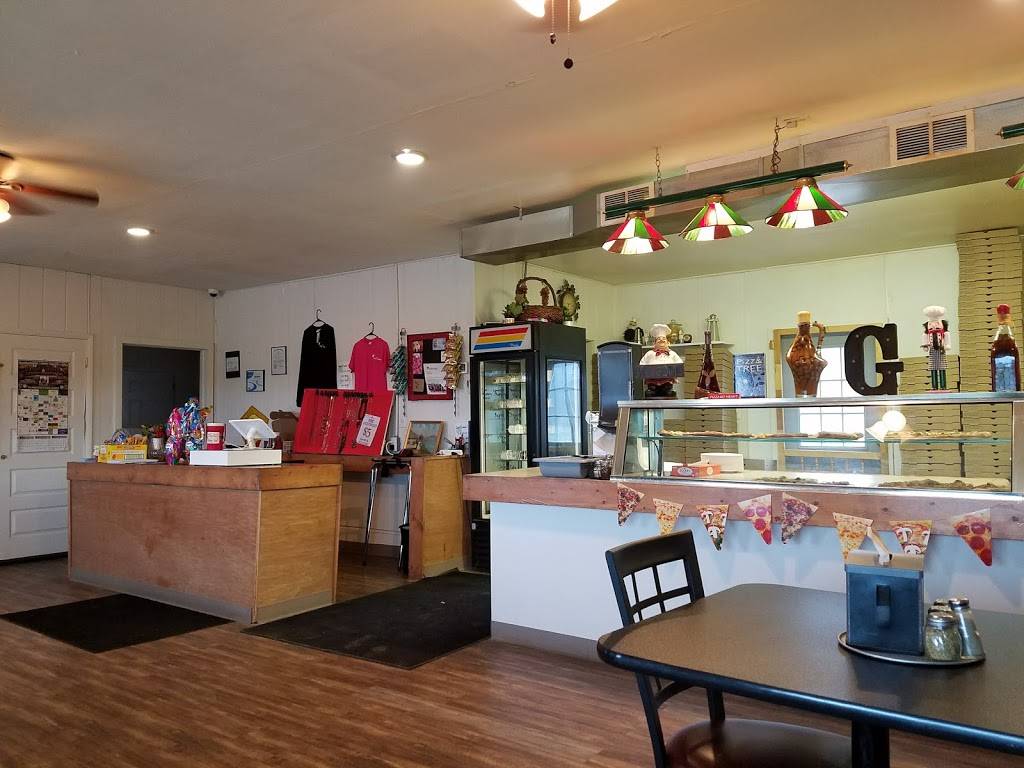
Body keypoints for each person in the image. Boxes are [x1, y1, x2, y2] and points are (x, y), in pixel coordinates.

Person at [639, 323, 683, 397]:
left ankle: (668, 390)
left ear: (668, 343)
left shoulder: (672, 354)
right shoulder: (649, 354)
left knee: (668, 391)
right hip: (652, 381)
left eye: (664, 339)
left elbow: (679, 364)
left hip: (667, 380)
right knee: (650, 392)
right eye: (658, 339)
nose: (661, 340)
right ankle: (652, 390)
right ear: (654, 343)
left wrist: (673, 370)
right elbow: (642, 364)